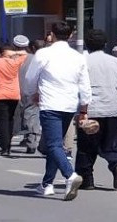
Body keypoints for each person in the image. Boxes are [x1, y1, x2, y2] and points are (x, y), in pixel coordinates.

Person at [23, 21, 91, 200]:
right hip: (69, 104)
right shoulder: (78, 56)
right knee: (56, 144)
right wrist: (84, 107)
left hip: (50, 103)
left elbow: (30, 78)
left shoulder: (44, 53)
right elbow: (85, 83)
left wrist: (32, 93)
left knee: (53, 145)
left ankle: (70, 175)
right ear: (70, 36)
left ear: (51, 35)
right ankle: (47, 184)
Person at [76, 30, 117, 190]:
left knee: (86, 147)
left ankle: (86, 179)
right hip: (112, 110)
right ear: (106, 44)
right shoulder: (116, 62)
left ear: (87, 45)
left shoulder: (82, 62)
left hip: (89, 111)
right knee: (112, 143)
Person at [0, 40, 27, 155]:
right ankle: (8, 145)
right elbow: (25, 53)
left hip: (0, 94)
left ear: (0, 53)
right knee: (11, 119)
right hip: (14, 94)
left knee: (2, 119)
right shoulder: (16, 62)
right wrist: (14, 54)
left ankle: (5, 146)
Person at [11, 35, 40, 153]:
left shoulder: (10, 58)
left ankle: (7, 141)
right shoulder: (34, 58)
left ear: (14, 46)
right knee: (32, 116)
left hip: (12, 91)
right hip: (31, 90)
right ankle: (31, 142)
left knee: (13, 116)